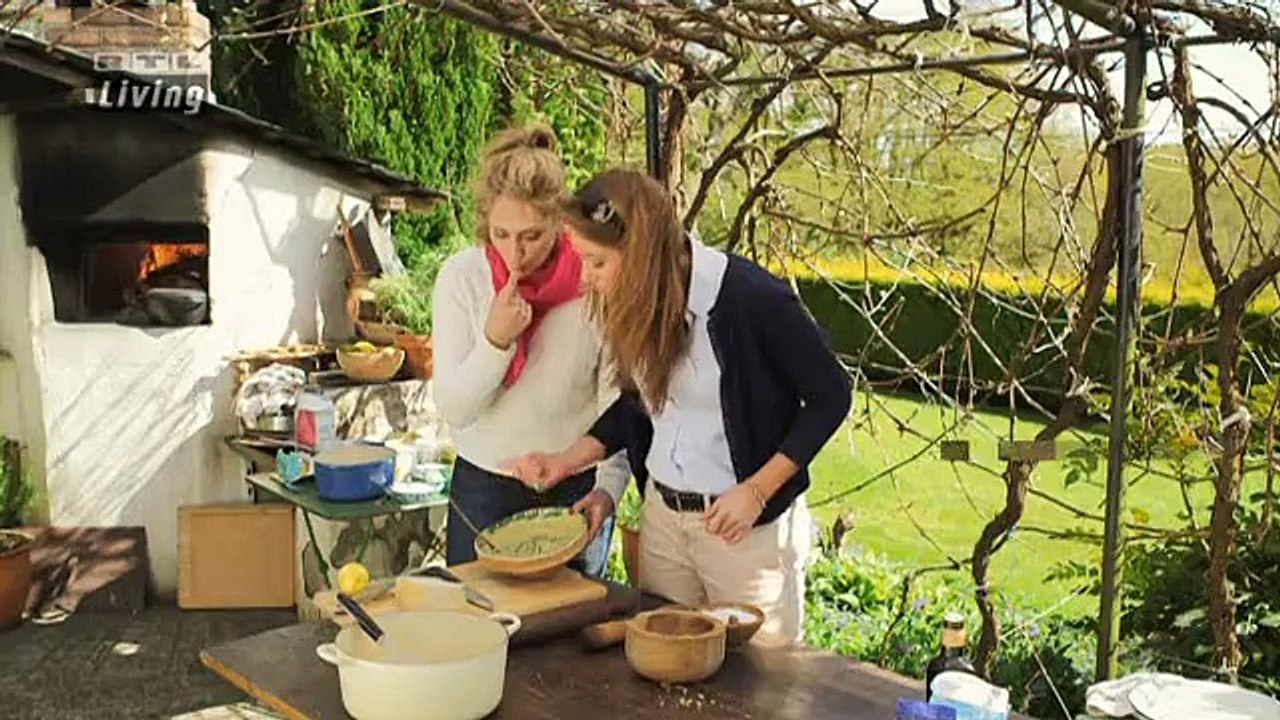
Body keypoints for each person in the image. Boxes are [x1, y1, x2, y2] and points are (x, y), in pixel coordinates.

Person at [505, 168, 852, 645]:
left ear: (644, 256)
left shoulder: (754, 300)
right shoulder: (639, 303)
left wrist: (756, 492)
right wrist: (566, 461)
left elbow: (832, 396)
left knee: (763, 691)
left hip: (744, 536)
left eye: (597, 264)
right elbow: (638, 407)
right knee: (664, 683)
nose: (586, 280)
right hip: (664, 525)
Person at [431, 125, 628, 578]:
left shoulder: (596, 279)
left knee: (570, 634)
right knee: (481, 632)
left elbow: (617, 406)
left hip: (575, 488)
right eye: (501, 234)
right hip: (484, 488)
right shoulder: (462, 279)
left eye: (532, 236)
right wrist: (495, 342)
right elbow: (454, 409)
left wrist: (610, 490)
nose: (515, 253)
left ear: (560, 222)